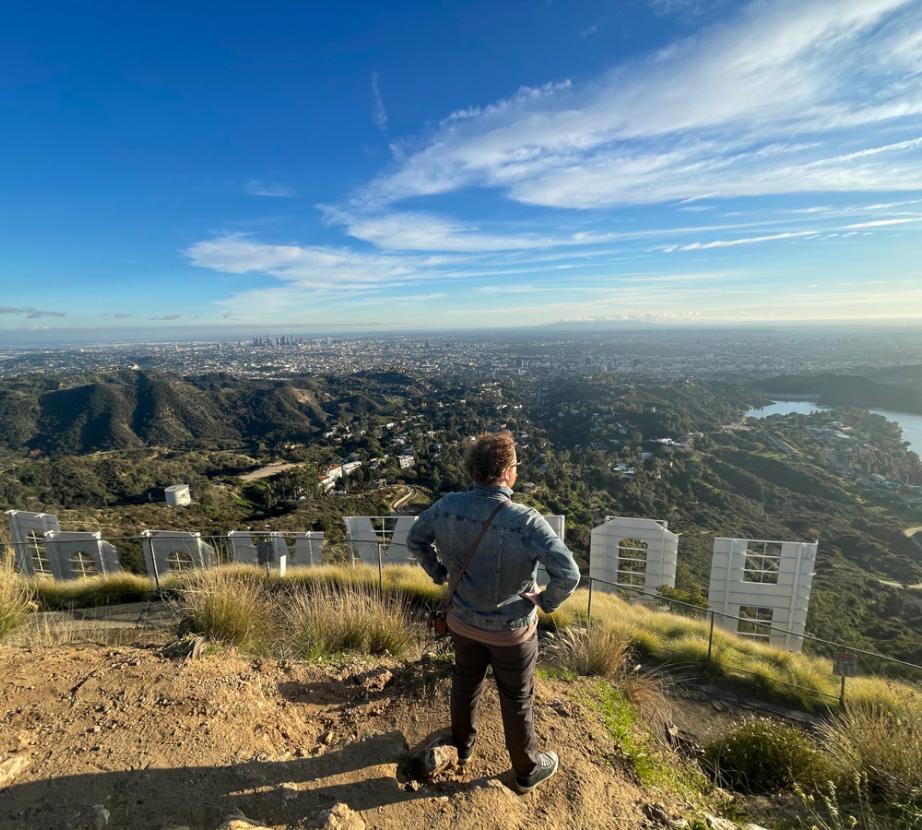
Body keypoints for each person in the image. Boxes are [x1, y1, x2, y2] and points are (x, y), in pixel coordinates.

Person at [407, 430, 581, 794]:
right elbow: (569, 573)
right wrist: (545, 602)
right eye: (515, 465)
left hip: (462, 621)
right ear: (507, 473)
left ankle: (462, 747)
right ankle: (526, 770)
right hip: (511, 632)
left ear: (473, 470)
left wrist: (440, 573)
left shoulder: (448, 505)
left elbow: (415, 539)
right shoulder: (525, 520)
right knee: (517, 698)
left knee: (465, 680)